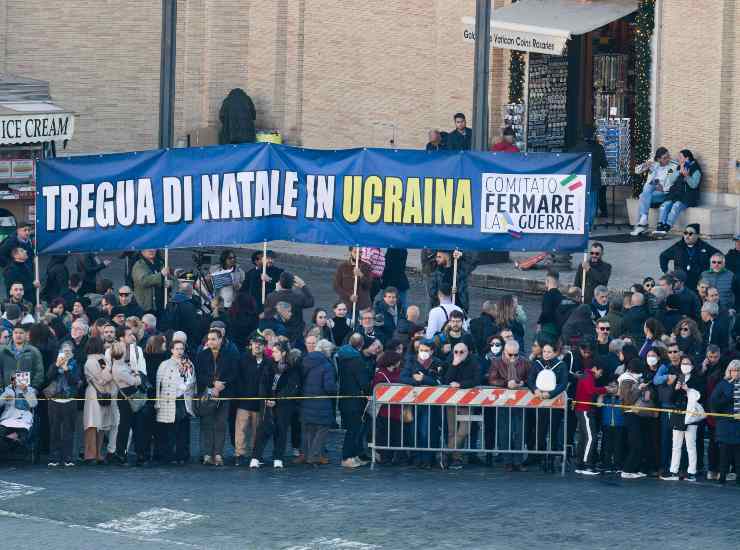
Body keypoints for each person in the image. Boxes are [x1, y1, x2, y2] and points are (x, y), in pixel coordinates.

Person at [251, 342, 302, 470]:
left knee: (281, 430)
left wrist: (277, 400)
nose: (272, 354)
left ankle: (278, 458)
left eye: (275, 352)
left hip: (284, 405)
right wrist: (266, 398)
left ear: (283, 353)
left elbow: (291, 387)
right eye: (272, 351)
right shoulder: (269, 365)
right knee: (262, 430)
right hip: (267, 403)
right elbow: (262, 382)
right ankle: (255, 457)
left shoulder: (293, 367)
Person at [194, 329, 238, 466]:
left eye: (213, 339)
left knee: (221, 424)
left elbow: (235, 373)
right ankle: (207, 454)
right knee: (207, 424)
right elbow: (199, 374)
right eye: (209, 339)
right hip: (207, 394)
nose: (210, 341)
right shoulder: (202, 355)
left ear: (220, 340)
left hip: (224, 394)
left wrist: (221, 385)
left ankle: (218, 454)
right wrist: (212, 385)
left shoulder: (230, 354)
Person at [487, 340, 529, 471]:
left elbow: (531, 377)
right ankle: (507, 461)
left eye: (516, 355)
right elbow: (492, 379)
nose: (513, 358)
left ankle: (518, 461)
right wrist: (506, 383)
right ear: (504, 352)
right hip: (503, 401)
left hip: (520, 402)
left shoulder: (525, 362)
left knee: (519, 432)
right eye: (510, 355)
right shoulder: (496, 362)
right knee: (504, 431)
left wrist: (522, 383)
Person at [400, 338, 443, 468]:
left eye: (426, 350)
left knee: (427, 431)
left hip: (431, 404)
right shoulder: (411, 362)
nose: (423, 352)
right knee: (415, 431)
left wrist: (424, 378)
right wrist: (417, 382)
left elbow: (439, 382)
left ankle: (427, 459)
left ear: (432, 351)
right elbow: (403, 378)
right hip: (415, 402)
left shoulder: (437, 363)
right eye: (421, 350)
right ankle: (416, 458)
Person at [660, 356, 703, 481]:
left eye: (688, 363)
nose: (685, 365)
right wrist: (676, 389)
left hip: (690, 414)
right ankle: (673, 471)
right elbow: (671, 398)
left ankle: (692, 472)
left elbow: (700, 396)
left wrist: (688, 390)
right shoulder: (679, 377)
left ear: (693, 366)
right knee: (676, 444)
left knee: (690, 444)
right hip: (678, 413)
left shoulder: (697, 379)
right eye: (683, 363)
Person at [154, 340, 195, 465]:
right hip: (168, 400)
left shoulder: (188, 363)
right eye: (176, 349)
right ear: (171, 350)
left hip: (183, 399)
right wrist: (158, 402)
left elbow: (192, 380)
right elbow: (158, 384)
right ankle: (168, 455)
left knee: (183, 429)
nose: (179, 351)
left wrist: (185, 386)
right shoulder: (164, 364)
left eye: (181, 349)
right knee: (169, 430)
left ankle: (182, 455)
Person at [234, 333, 271, 466]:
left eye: (260, 344)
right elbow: (238, 379)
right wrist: (241, 395)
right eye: (255, 343)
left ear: (264, 346)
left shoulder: (268, 361)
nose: (257, 346)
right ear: (251, 345)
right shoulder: (243, 359)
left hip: (260, 403)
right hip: (244, 401)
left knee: (257, 431)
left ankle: (255, 455)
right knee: (241, 430)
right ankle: (240, 454)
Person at [441, 341, 479, 469]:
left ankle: (446, 452)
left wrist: (460, 385)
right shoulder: (450, 361)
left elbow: (476, 380)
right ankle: (456, 458)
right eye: (456, 352)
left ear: (467, 352)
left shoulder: (474, 362)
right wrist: (454, 365)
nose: (458, 354)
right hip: (451, 401)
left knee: (464, 430)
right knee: (452, 431)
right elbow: (446, 380)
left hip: (467, 401)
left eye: (462, 352)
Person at [336, 333, 372, 468]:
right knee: (354, 430)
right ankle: (347, 457)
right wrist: (369, 391)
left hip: (344, 398)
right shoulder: (357, 360)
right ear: (361, 345)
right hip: (355, 400)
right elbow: (363, 382)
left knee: (352, 429)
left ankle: (354, 455)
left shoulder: (340, 356)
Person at [44, 340, 81, 467]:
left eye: (69, 352)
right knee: (54, 430)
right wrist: (56, 366)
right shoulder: (54, 364)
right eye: (64, 351)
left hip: (69, 400)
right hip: (54, 400)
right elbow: (48, 377)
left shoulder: (75, 365)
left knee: (68, 430)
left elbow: (75, 381)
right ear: (60, 352)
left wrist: (66, 370)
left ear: (72, 354)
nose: (66, 354)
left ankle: (68, 457)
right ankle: (53, 457)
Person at [300, 342, 338, 466]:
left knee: (309, 429)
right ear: (326, 351)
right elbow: (329, 386)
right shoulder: (326, 365)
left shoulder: (305, 360)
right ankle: (315, 456)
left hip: (306, 400)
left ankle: (306, 455)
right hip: (322, 402)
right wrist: (335, 389)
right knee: (322, 429)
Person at [82, 337, 116, 464]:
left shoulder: (90, 360)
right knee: (98, 424)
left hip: (93, 392)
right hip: (102, 391)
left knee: (92, 424)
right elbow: (104, 377)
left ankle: (90, 454)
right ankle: (96, 454)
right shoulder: (101, 359)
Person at [631, 147, 679, 235]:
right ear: (658, 159)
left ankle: (642, 224)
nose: (668, 159)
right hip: (651, 192)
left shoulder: (672, 166)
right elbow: (637, 171)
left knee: (643, 196)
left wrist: (662, 187)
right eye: (665, 158)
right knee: (646, 192)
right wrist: (646, 165)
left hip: (663, 193)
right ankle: (644, 218)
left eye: (668, 156)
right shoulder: (654, 163)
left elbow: (670, 180)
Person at [574, 357, 610, 475]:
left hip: (582, 409)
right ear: (595, 368)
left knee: (584, 438)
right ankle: (587, 465)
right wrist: (605, 389)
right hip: (585, 410)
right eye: (601, 371)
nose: (600, 374)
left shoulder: (585, 375)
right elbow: (590, 390)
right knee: (591, 437)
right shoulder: (588, 376)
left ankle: (580, 464)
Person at [659, 223, 719, 291]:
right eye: (685, 233)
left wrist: (712, 272)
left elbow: (719, 256)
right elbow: (663, 256)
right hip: (681, 282)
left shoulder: (704, 246)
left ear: (697, 235)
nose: (687, 236)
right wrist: (666, 271)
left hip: (698, 283)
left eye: (690, 234)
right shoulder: (678, 246)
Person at [654, 149, 702, 234]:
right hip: (675, 194)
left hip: (687, 197)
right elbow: (670, 180)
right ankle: (660, 225)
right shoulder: (678, 167)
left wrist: (686, 176)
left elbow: (694, 185)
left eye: (680, 157)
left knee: (676, 206)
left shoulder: (696, 169)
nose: (678, 158)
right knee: (664, 205)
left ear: (687, 158)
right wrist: (678, 172)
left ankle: (667, 226)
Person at [371, 351, 405, 464]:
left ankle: (396, 457)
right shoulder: (380, 374)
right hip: (385, 410)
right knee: (385, 434)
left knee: (396, 434)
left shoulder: (399, 372)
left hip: (397, 410)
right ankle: (385, 457)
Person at [710, 360, 740, 486]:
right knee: (724, 452)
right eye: (734, 370)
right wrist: (728, 398)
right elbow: (713, 402)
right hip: (725, 423)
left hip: (738, 424)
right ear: (729, 371)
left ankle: (739, 478)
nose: (736, 373)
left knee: (738, 453)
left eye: (738, 370)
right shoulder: (723, 384)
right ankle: (722, 476)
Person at [569, 126, 608, 220]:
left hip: (578, 180)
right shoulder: (599, 148)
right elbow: (604, 164)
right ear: (594, 135)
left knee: (579, 202)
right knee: (592, 203)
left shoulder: (576, 148)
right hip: (593, 179)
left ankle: (579, 223)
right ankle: (589, 226)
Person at [618, 358, 646, 479]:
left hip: (635, 413)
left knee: (637, 443)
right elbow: (628, 399)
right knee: (636, 443)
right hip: (630, 413)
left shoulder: (630, 378)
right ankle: (627, 470)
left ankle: (633, 469)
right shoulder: (626, 380)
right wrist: (639, 389)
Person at [0, 325, 44, 389]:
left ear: (26, 334)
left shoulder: (33, 351)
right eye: (16, 333)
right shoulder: (3, 351)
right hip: (7, 391)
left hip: (28, 391)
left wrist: (34, 387)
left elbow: (39, 371)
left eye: (21, 333)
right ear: (12, 334)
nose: (18, 335)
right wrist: (1, 387)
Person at [131, 249, 171, 314]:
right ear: (142, 251)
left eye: (153, 248)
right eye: (148, 248)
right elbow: (143, 281)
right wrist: (160, 275)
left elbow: (171, 278)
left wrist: (169, 283)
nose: (151, 250)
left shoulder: (160, 263)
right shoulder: (139, 265)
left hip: (161, 304)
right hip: (146, 306)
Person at [537, 271, 563, 340]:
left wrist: (539, 323)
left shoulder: (547, 295)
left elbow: (546, 312)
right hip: (558, 327)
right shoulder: (561, 296)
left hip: (548, 328)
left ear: (547, 281)